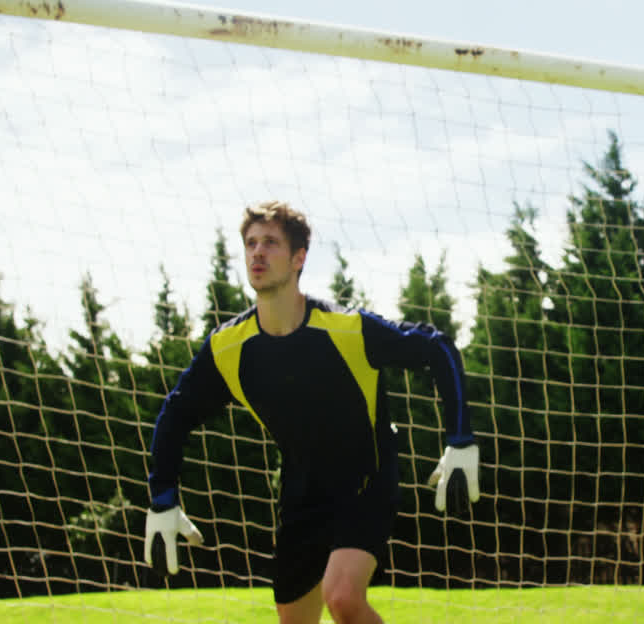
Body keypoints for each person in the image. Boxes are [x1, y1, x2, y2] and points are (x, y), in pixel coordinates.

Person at [142, 201, 481, 624]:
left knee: (341, 597)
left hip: (367, 480)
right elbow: (176, 415)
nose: (256, 254)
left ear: (299, 257)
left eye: (270, 243)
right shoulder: (227, 347)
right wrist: (162, 499)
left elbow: (437, 348)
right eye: (250, 244)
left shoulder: (346, 328)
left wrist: (460, 441)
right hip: (300, 495)